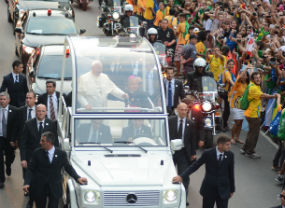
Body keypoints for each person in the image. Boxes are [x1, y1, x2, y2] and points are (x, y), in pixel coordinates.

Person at [23, 131, 87, 208]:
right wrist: (27, 183)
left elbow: (68, 167)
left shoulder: (61, 154)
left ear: (49, 142)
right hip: (40, 188)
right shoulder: (37, 153)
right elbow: (30, 169)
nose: (40, 143)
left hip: (54, 187)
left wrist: (77, 178)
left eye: (42, 141)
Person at [172, 135, 235, 208]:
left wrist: (232, 189)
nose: (229, 146)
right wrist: (182, 176)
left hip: (223, 190)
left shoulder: (230, 155)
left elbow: (231, 172)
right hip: (209, 190)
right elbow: (195, 165)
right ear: (220, 145)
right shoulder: (208, 153)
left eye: (229, 144)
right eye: (227, 144)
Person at [240, 72, 279, 159]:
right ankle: (250, 152)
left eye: (259, 77)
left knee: (250, 133)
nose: (258, 79)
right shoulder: (253, 88)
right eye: (256, 78)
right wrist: (274, 96)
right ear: (253, 79)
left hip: (249, 113)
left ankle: (244, 149)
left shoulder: (251, 85)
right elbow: (263, 95)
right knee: (254, 135)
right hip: (253, 115)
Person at [168, 102, 197, 206]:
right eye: (182, 110)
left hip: (184, 154)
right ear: (177, 110)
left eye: (185, 110)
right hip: (171, 153)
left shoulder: (191, 123)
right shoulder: (170, 120)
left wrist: (193, 153)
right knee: (169, 175)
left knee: (184, 176)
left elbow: (193, 139)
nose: (184, 112)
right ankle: (169, 197)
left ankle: (183, 199)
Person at [0, 92, 18, 189]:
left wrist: (14, 139)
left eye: (4, 99)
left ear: (8, 100)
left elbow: (17, 126)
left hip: (10, 138)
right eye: (1, 99)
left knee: (10, 155)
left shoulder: (14, 111)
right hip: (0, 137)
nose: (2, 101)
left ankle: (8, 165)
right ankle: (1, 180)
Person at [228, 70, 249, 144]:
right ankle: (232, 138)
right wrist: (246, 68)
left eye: (245, 75)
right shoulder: (237, 83)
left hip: (242, 106)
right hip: (235, 105)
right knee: (237, 122)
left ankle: (237, 138)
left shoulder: (247, 84)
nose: (244, 77)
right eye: (242, 75)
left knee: (241, 122)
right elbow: (240, 77)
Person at [221, 59, 236, 132]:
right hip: (225, 93)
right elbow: (229, 80)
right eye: (230, 64)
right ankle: (224, 125)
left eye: (232, 64)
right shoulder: (227, 72)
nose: (231, 65)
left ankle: (224, 124)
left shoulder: (230, 72)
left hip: (228, 93)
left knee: (226, 110)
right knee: (226, 110)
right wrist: (235, 86)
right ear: (227, 65)